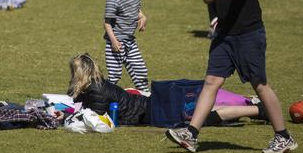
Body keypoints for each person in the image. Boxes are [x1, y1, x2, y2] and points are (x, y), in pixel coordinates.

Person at [167, 0, 298, 153]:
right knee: (211, 82)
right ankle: (191, 133)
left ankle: (283, 137)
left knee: (260, 84)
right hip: (224, 35)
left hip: (248, 34)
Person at [68, 53, 269, 126]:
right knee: (202, 108)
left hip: (154, 111)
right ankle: (255, 106)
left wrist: (63, 118)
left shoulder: (95, 90)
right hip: (154, 102)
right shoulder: (99, 84)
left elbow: (93, 118)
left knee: (205, 116)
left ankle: (259, 110)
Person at [99, 0, 149, 92]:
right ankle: (102, 97)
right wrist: (114, 41)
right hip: (116, 44)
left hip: (130, 42)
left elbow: (134, 9)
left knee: (141, 72)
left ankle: (145, 98)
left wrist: (143, 17)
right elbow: (107, 23)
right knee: (114, 76)